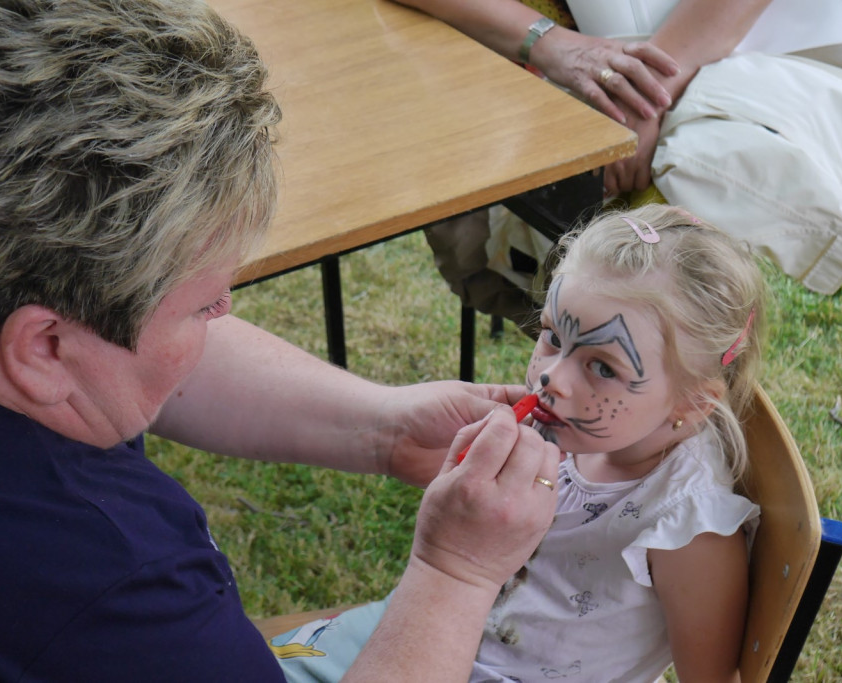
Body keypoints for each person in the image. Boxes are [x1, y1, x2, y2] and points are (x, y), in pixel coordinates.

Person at [0, 0, 562, 680]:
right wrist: (455, 573)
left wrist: (383, 427)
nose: (224, 311)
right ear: (42, 348)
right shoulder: (104, 600)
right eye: (200, 305)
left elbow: (117, 357)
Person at [273, 204, 765, 682]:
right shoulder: (582, 429)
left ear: (693, 404)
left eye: (601, 367)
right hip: (426, 634)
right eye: (553, 335)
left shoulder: (687, 526)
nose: (552, 376)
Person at [399, 0, 842, 329]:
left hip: (737, 67)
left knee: (658, 311)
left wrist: (646, 89)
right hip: (525, 62)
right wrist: (549, 44)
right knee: (510, 257)